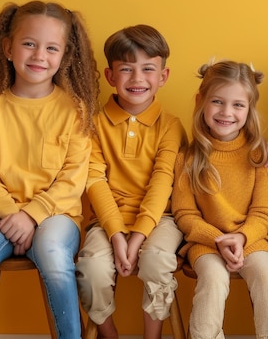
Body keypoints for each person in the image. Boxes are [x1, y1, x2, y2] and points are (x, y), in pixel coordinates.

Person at [0, 0, 100, 339]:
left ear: (64, 56)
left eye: (51, 48)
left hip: (57, 216)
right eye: (29, 44)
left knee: (56, 261)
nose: (39, 55)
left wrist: (32, 215)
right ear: (8, 48)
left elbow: (73, 178)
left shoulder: (75, 110)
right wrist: (13, 214)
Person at [76, 24, 187, 339]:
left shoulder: (171, 127)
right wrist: (116, 236)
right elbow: (95, 182)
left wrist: (137, 237)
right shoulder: (93, 125)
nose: (138, 79)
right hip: (108, 222)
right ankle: (109, 335)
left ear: (162, 77)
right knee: (91, 270)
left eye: (148, 69)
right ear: (111, 76)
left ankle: (152, 336)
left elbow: (163, 182)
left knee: (157, 261)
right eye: (127, 69)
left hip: (161, 219)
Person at [172, 60, 268, 339]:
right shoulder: (187, 159)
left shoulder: (259, 157)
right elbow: (184, 214)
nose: (227, 112)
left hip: (251, 240)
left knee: (266, 279)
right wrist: (217, 239)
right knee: (213, 279)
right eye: (217, 102)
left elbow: (263, 214)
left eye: (238, 105)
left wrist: (241, 239)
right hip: (205, 243)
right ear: (201, 102)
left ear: (249, 109)